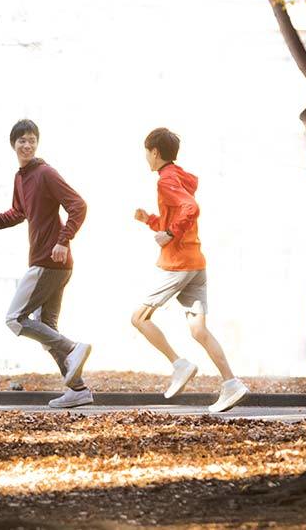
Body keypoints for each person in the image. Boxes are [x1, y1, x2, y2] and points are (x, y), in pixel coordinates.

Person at [0, 119, 93, 408]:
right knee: (45, 326)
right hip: (51, 262)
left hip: (49, 260)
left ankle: (73, 348)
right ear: (13, 144)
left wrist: (63, 240)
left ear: (37, 143)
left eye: (31, 139)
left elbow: (78, 205)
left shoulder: (45, 173)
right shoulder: (21, 178)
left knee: (15, 319)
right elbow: (17, 213)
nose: (27, 145)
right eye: (21, 140)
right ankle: (78, 390)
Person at [131, 127, 249, 412]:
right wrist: (151, 220)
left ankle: (179, 364)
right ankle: (231, 383)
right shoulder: (178, 177)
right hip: (196, 263)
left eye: (147, 152)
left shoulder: (165, 181)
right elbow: (179, 213)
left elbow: (190, 209)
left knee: (139, 318)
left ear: (155, 152)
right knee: (199, 331)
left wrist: (169, 234)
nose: (146, 157)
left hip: (178, 264)